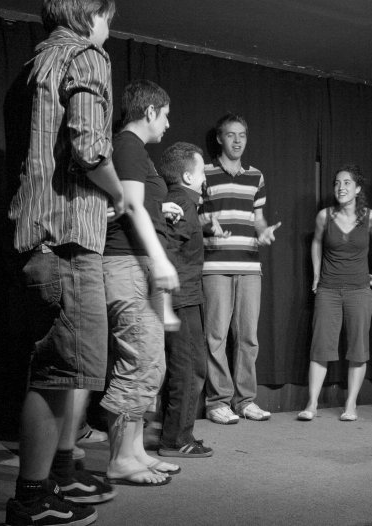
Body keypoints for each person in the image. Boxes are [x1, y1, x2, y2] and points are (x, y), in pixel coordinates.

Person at [6, 1, 122, 524]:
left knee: (57, 371)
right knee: (57, 373)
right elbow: (90, 148)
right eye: (107, 15)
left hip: (37, 237)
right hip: (69, 238)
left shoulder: (36, 64)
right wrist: (118, 194)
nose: (109, 26)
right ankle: (31, 501)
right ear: (89, 13)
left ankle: (52, 480)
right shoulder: (86, 56)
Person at [99, 79, 181, 485]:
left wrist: (162, 207)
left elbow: (134, 201)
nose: (167, 124)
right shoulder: (128, 145)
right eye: (165, 115)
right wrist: (161, 259)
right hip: (126, 262)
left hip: (136, 263)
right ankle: (119, 459)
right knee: (138, 361)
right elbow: (130, 205)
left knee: (151, 362)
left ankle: (135, 451)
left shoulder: (134, 150)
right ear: (149, 111)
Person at [199, 113, 281, 425]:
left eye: (242, 135)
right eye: (231, 135)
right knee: (216, 337)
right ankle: (217, 402)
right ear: (220, 138)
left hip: (249, 265)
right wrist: (207, 224)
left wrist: (263, 231)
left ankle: (245, 400)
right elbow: (195, 216)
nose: (237, 141)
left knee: (248, 337)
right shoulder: (204, 173)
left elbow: (257, 217)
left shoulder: (256, 176)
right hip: (215, 265)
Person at [298, 165, 372, 422]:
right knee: (321, 346)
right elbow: (316, 243)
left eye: (346, 183)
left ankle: (351, 404)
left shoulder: (370, 217)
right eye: (337, 183)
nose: (341, 187)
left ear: (357, 189)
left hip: (359, 290)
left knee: (358, 348)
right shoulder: (324, 216)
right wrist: (316, 274)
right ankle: (312, 404)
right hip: (328, 289)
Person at [157, 142, 218, 457]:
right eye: (202, 171)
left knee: (188, 367)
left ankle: (175, 434)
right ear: (187, 176)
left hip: (184, 296)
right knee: (189, 367)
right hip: (181, 298)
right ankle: (176, 440)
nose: (205, 177)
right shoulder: (182, 202)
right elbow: (166, 247)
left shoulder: (184, 203)